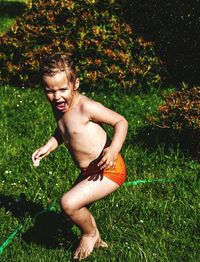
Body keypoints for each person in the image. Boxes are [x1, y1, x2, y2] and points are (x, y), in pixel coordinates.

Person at [32, 53, 128, 260]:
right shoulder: (59, 106)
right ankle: (98, 240)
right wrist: (49, 146)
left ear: (75, 83)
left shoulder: (86, 107)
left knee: (68, 203)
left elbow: (121, 121)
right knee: (78, 205)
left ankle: (89, 234)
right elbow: (64, 130)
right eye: (49, 91)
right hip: (89, 171)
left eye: (62, 89)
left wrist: (113, 149)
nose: (56, 96)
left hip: (109, 169)